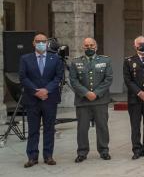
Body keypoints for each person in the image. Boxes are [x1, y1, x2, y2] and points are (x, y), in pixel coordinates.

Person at [19, 32, 64, 167]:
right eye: (38, 41)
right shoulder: (25, 58)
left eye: (43, 41)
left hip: (50, 99)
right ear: (33, 43)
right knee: (33, 129)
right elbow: (23, 77)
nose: (41, 43)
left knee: (49, 128)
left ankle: (48, 155)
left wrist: (46, 90)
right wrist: (36, 91)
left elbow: (58, 77)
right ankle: (32, 157)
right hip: (32, 99)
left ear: (47, 43)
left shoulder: (55, 59)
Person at [68, 37, 113, 162]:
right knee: (82, 128)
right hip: (83, 101)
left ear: (96, 46)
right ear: (83, 47)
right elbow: (73, 80)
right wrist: (86, 93)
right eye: (86, 45)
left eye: (91, 45)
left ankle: (104, 150)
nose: (89, 48)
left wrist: (96, 93)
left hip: (101, 100)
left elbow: (108, 79)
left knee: (102, 126)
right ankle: (82, 152)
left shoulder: (106, 60)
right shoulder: (76, 62)